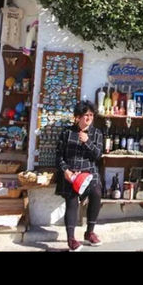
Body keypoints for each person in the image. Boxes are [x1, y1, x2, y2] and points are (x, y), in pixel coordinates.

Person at [55, 100, 103, 252]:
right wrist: (66, 171)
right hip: (71, 172)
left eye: (91, 115)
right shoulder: (67, 132)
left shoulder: (97, 134)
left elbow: (98, 155)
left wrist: (87, 142)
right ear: (77, 117)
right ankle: (71, 239)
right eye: (85, 115)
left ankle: (90, 232)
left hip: (89, 171)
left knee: (96, 193)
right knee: (72, 201)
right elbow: (58, 157)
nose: (88, 118)